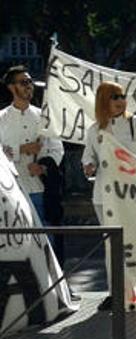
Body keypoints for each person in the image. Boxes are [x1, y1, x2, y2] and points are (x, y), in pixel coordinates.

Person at [81, 81, 136, 310]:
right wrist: (89, 166)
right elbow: (87, 156)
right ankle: (116, 292)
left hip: (130, 194)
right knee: (111, 247)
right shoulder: (95, 130)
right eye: (115, 97)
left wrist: (117, 147)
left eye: (122, 96)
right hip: (103, 196)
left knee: (135, 243)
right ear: (104, 101)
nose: (121, 101)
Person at [0, 65, 64, 231]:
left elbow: (58, 150)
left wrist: (43, 167)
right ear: (11, 87)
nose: (29, 85)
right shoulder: (1, 119)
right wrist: (21, 149)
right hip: (9, 193)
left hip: (40, 190)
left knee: (45, 238)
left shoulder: (45, 117)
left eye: (30, 81)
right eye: (23, 82)